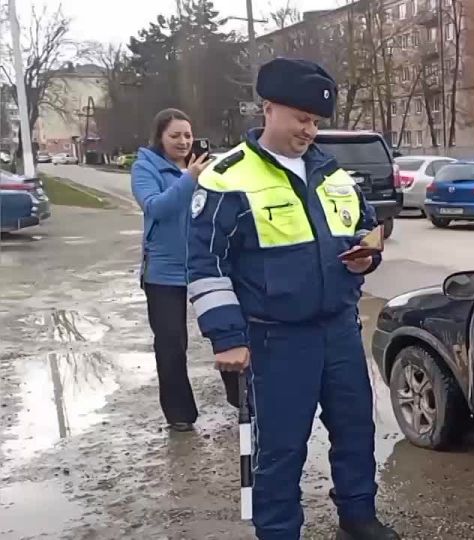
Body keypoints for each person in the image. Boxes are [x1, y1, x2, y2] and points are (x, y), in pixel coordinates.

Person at [186, 58, 399, 540]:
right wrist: (226, 337)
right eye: (302, 118)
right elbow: (205, 264)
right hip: (274, 338)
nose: (310, 130)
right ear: (269, 108)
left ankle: (357, 517)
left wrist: (369, 255)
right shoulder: (227, 178)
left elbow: (365, 229)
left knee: (355, 430)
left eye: (317, 121)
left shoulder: (332, 173)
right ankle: (279, 529)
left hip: (340, 329)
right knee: (281, 447)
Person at [131, 108, 238, 433]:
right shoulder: (145, 168)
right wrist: (188, 179)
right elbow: (156, 207)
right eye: (175, 135)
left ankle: (241, 398)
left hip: (206, 263)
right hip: (164, 271)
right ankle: (179, 413)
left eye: (187, 135)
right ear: (160, 137)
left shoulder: (204, 167)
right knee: (171, 342)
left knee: (227, 330)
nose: (182, 141)